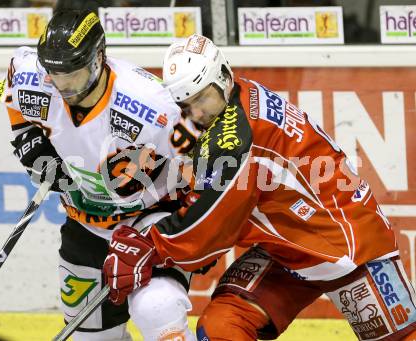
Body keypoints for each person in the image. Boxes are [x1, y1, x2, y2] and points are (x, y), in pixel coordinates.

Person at [102, 34, 416, 341]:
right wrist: (161, 169)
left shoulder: (238, 138)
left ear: (223, 76)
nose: (196, 113)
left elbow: (207, 227)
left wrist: (148, 246)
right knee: (222, 327)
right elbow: (211, 173)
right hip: (287, 247)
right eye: (186, 105)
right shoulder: (235, 99)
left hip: (345, 244)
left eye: (201, 99)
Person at [0, 10, 201, 341]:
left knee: (157, 309)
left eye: (73, 76)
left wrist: (191, 229)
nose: (63, 87)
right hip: (86, 224)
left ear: (98, 59)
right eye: (55, 76)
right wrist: (26, 136)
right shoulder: (32, 75)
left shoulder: (152, 105)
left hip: (149, 223)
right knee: (93, 338)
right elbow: (8, 88)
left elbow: (203, 159)